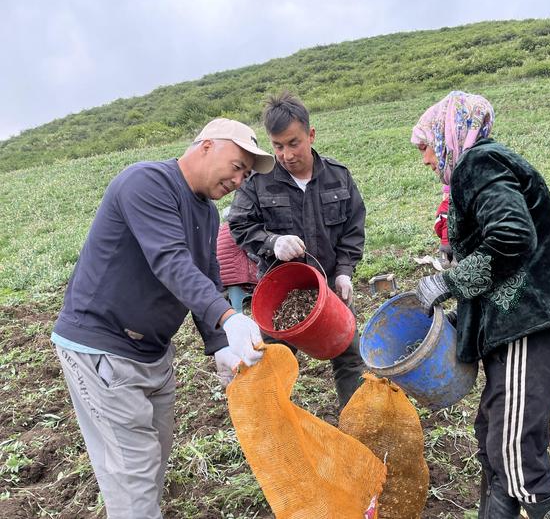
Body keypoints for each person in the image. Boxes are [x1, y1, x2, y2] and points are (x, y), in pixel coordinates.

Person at [51, 118, 275, 519]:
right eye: (238, 165)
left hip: (153, 354)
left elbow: (207, 274)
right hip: (103, 349)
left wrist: (220, 345)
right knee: (132, 475)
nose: (240, 179)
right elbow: (169, 261)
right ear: (207, 145)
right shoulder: (146, 183)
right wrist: (228, 317)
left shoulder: (206, 212)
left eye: (246, 173)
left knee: (150, 464)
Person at [411, 91, 550, 518]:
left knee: (516, 458)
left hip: (533, 326)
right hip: (525, 323)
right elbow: (505, 266)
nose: (424, 159)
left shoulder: (477, 163)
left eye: (425, 145)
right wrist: (461, 318)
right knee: (493, 440)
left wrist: (449, 281)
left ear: (448, 135)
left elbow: (512, 238)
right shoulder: (487, 165)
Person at [228, 92, 366, 410]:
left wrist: (344, 272)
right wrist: (272, 242)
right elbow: (240, 226)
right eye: (278, 146)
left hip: (329, 289)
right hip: (280, 295)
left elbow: (352, 230)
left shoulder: (338, 177)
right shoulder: (258, 183)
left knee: (350, 358)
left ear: (311, 135)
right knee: (273, 368)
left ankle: (357, 430)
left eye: (294, 143)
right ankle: (280, 439)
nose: (286, 155)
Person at [435, 184, 453, 266]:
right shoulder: (461, 204)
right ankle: (455, 261)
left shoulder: (442, 207)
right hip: (458, 244)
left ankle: (444, 260)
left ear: (445, 194)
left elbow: (438, 225)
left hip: (445, 243)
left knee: (443, 250)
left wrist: (441, 235)